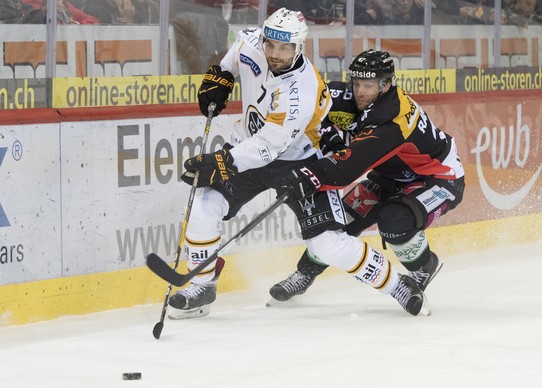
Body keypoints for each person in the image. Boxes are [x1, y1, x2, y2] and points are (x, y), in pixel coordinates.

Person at [167, 8, 428, 319]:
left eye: (284, 48)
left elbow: (267, 148)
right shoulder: (252, 43)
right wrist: (221, 76)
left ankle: (397, 285)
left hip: (301, 162)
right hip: (247, 146)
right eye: (270, 45)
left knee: (326, 244)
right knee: (202, 206)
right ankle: (202, 285)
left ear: (299, 47)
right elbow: (234, 55)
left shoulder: (300, 92)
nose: (274, 54)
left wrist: (221, 162)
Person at [268, 49, 465, 306]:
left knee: (393, 220)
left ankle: (424, 267)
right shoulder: (353, 96)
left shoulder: (392, 119)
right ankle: (304, 274)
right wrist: (326, 130)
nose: (359, 91)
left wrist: (307, 176)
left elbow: (346, 170)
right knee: (337, 222)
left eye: (368, 85)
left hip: (438, 178)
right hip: (389, 177)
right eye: (356, 82)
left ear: (386, 85)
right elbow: (308, 100)